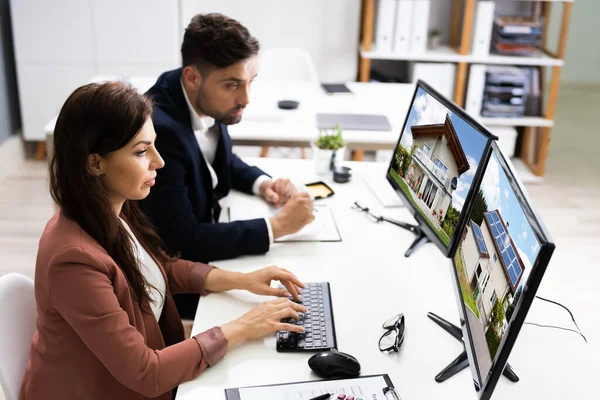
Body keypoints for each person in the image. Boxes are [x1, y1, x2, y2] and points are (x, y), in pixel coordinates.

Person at [20, 82, 307, 400]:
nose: (159, 161)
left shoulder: (111, 207)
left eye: (153, 146)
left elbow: (159, 268)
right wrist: (243, 326)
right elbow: (146, 372)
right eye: (141, 152)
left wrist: (242, 280)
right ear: (95, 163)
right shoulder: (73, 260)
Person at [140, 13, 315, 318]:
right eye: (233, 84)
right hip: (174, 287)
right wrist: (277, 227)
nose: (246, 98)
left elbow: (217, 160)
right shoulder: (161, 132)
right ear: (192, 77)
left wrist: (263, 183)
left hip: (208, 248)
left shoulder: (200, 95)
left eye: (250, 82)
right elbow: (185, 240)